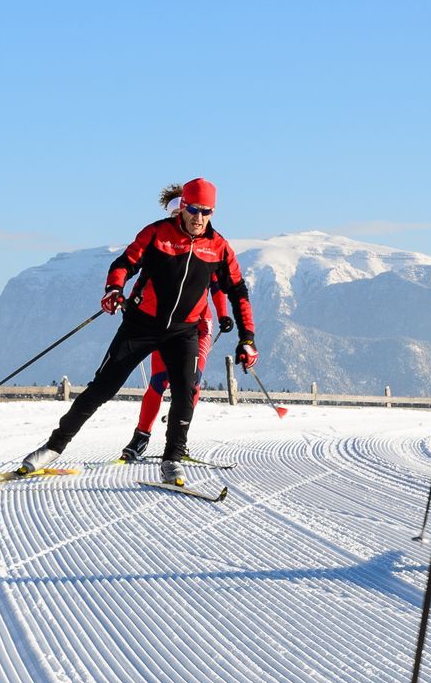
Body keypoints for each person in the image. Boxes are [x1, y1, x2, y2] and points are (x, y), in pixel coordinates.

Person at [19, 177, 257, 486]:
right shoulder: (157, 234)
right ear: (183, 207)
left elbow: (238, 291)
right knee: (102, 388)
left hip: (184, 332)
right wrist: (113, 289)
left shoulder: (218, 247)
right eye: (194, 210)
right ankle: (53, 446)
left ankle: (172, 458)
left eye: (207, 211)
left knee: (187, 391)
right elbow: (124, 263)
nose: (199, 218)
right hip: (141, 326)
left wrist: (247, 338)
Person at [117, 277, 233, 464]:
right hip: (167, 325)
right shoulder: (166, 251)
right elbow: (146, 278)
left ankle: (179, 441)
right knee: (159, 381)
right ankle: (141, 438)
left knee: (191, 383)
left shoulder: (206, 252)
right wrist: (132, 303)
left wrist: (223, 315)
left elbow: (217, 285)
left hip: (199, 327)